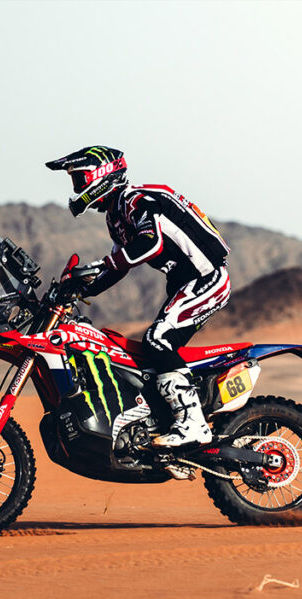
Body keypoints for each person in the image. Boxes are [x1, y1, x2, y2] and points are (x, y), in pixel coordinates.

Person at [46, 145, 231, 468]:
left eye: (80, 179)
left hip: (207, 278)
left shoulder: (137, 200)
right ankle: (163, 424)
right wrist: (80, 289)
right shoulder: (116, 215)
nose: (77, 188)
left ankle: (193, 424)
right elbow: (119, 267)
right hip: (185, 284)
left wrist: (101, 264)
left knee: (158, 340)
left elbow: (150, 243)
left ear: (102, 176)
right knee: (148, 355)